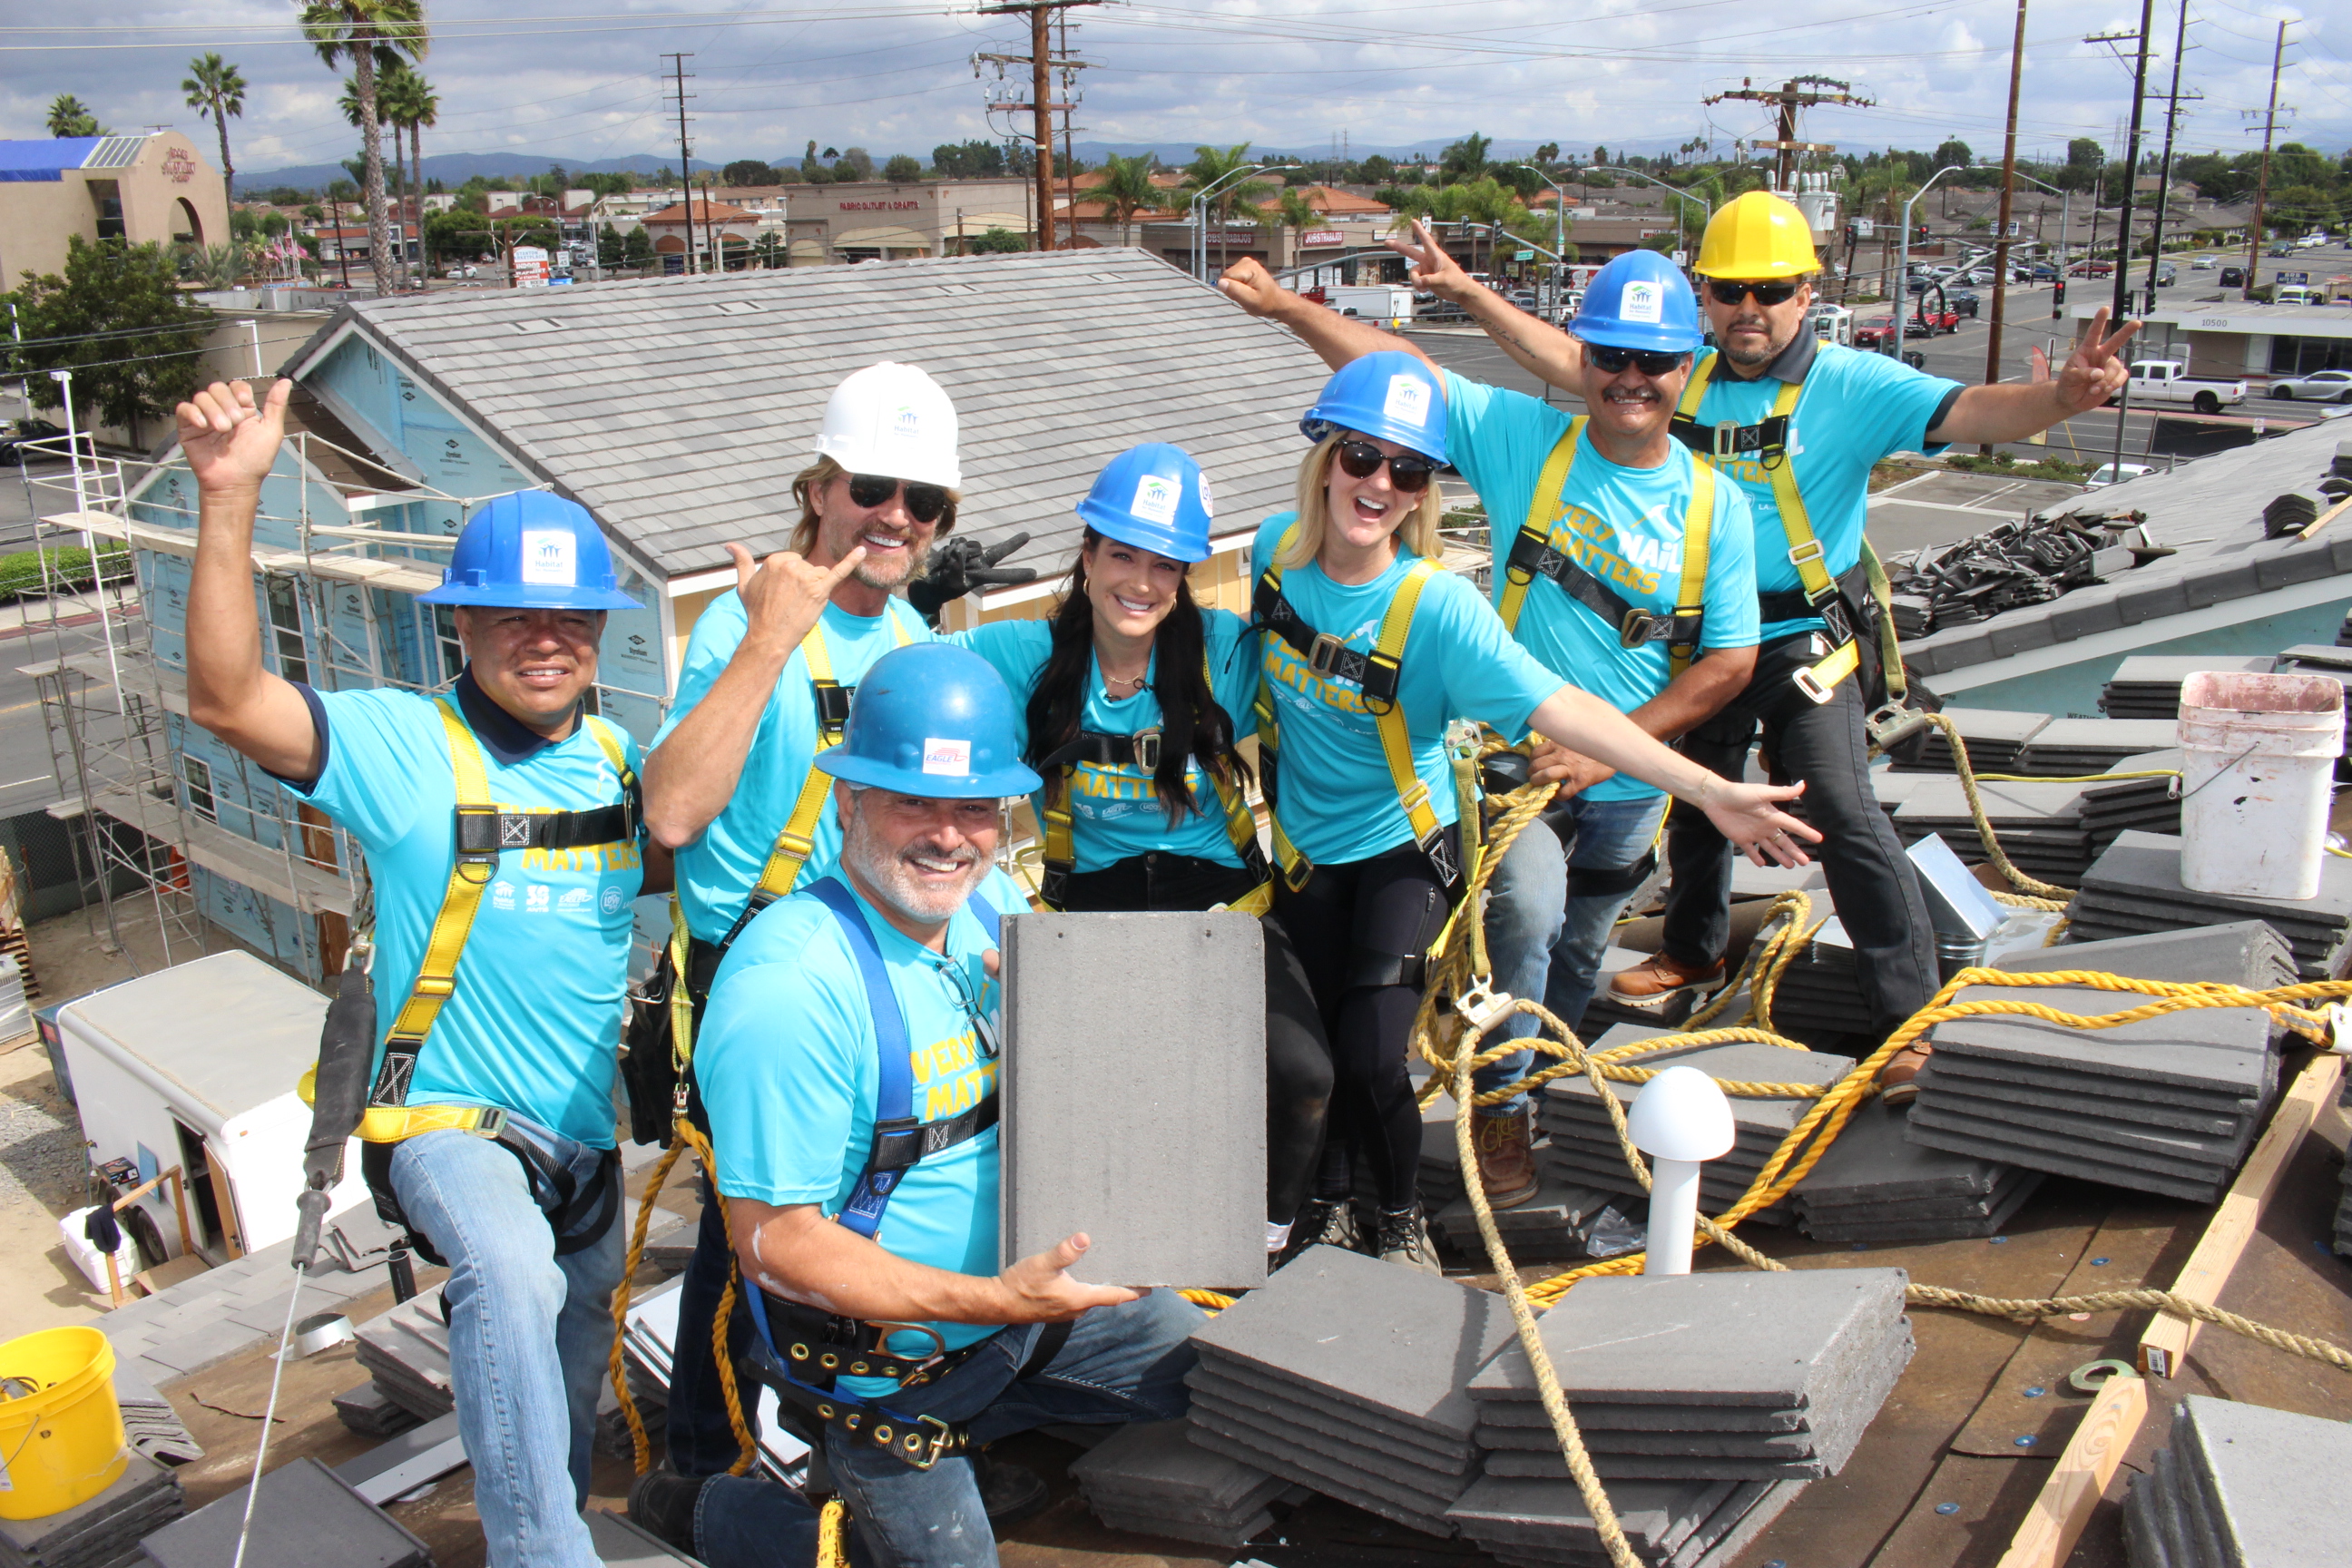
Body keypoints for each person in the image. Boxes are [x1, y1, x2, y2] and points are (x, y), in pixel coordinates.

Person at [1389, 195, 2137, 1082]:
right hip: (1694, 638)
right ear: (1704, 296)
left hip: (1794, 637)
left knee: (1838, 809)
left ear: (1807, 291)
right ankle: (1696, 949)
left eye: (1770, 290)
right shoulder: (1678, 370)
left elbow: (1976, 410)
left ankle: (1908, 1023)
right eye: (1730, 290)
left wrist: (2059, 397)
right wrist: (1467, 293)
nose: (1750, 308)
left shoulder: (1855, 388)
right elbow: (1560, 356)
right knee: (1694, 806)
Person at [1197, 325, 1818, 1269]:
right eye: (1363, 458)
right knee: (1312, 1060)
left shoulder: (1438, 609)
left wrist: (1707, 790)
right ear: (1326, 461)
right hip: (1305, 852)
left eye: (1410, 475)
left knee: (1372, 1058)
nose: (1380, 487)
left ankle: (1399, 1222)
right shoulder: (1279, 555)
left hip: (1403, 850)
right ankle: (1327, 1203)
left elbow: (1565, 708)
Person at [177, 378, 654, 1568]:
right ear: (462, 626)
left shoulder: (617, 762)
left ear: (599, 630)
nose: (546, 641)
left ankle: (554, 1513)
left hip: (587, 1143)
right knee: (505, 1274)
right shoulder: (401, 748)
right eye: (512, 619)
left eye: (571, 621)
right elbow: (228, 698)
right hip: (450, 1125)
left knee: (566, 1349)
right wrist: (230, 493)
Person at [688, 642, 1205, 1568]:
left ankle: (986, 1438)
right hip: (891, 1369)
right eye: (913, 802)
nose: (948, 835)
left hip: (1029, 1312)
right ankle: (725, 1521)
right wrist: (994, 1297)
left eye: (973, 806)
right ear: (847, 800)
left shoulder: (985, 904)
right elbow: (775, 1244)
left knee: (1234, 1389)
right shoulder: (791, 988)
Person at [636, 360, 959, 1492]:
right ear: (820, 487)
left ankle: (832, 1443)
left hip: (863, 971)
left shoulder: (913, 636)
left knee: (853, 1219)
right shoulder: (745, 622)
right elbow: (672, 811)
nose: (898, 518)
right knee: (752, 1240)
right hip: (757, 976)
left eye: (924, 503)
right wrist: (773, 637)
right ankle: (699, 1467)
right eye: (875, 486)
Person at [956, 443, 1333, 1264]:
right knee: (1085, 1098)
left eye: (1166, 565)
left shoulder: (1227, 652)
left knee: (1304, 1078)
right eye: (1122, 554)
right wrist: (916, 602)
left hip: (1221, 903)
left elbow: (1341, 659)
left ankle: (1265, 1241)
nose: (1142, 582)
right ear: (1086, 558)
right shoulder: (1026, 657)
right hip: (1093, 902)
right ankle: (1105, 1247)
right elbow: (896, 672)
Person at [1444, 251, 1761, 1205]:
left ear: (1687, 369)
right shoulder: (1523, 442)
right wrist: (1280, 301)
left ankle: (1537, 1082)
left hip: (1626, 787)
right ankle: (1501, 1102)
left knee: (1581, 949)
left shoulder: (1718, 506)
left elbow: (1728, 663)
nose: (1632, 378)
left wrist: (1605, 744)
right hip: (1516, 768)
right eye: (1612, 355)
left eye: (1654, 361)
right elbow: (1392, 367)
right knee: (1528, 917)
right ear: (1582, 357)